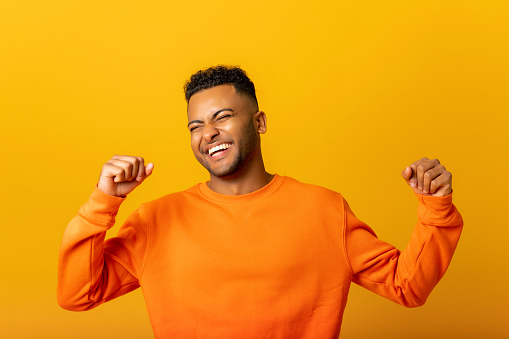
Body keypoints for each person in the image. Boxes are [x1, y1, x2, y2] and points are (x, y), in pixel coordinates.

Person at [57, 65, 463, 338]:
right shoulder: (155, 219)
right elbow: (78, 295)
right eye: (195, 126)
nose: (208, 133)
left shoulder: (324, 210)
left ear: (259, 122)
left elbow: (407, 286)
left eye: (222, 117)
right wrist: (101, 204)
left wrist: (436, 208)